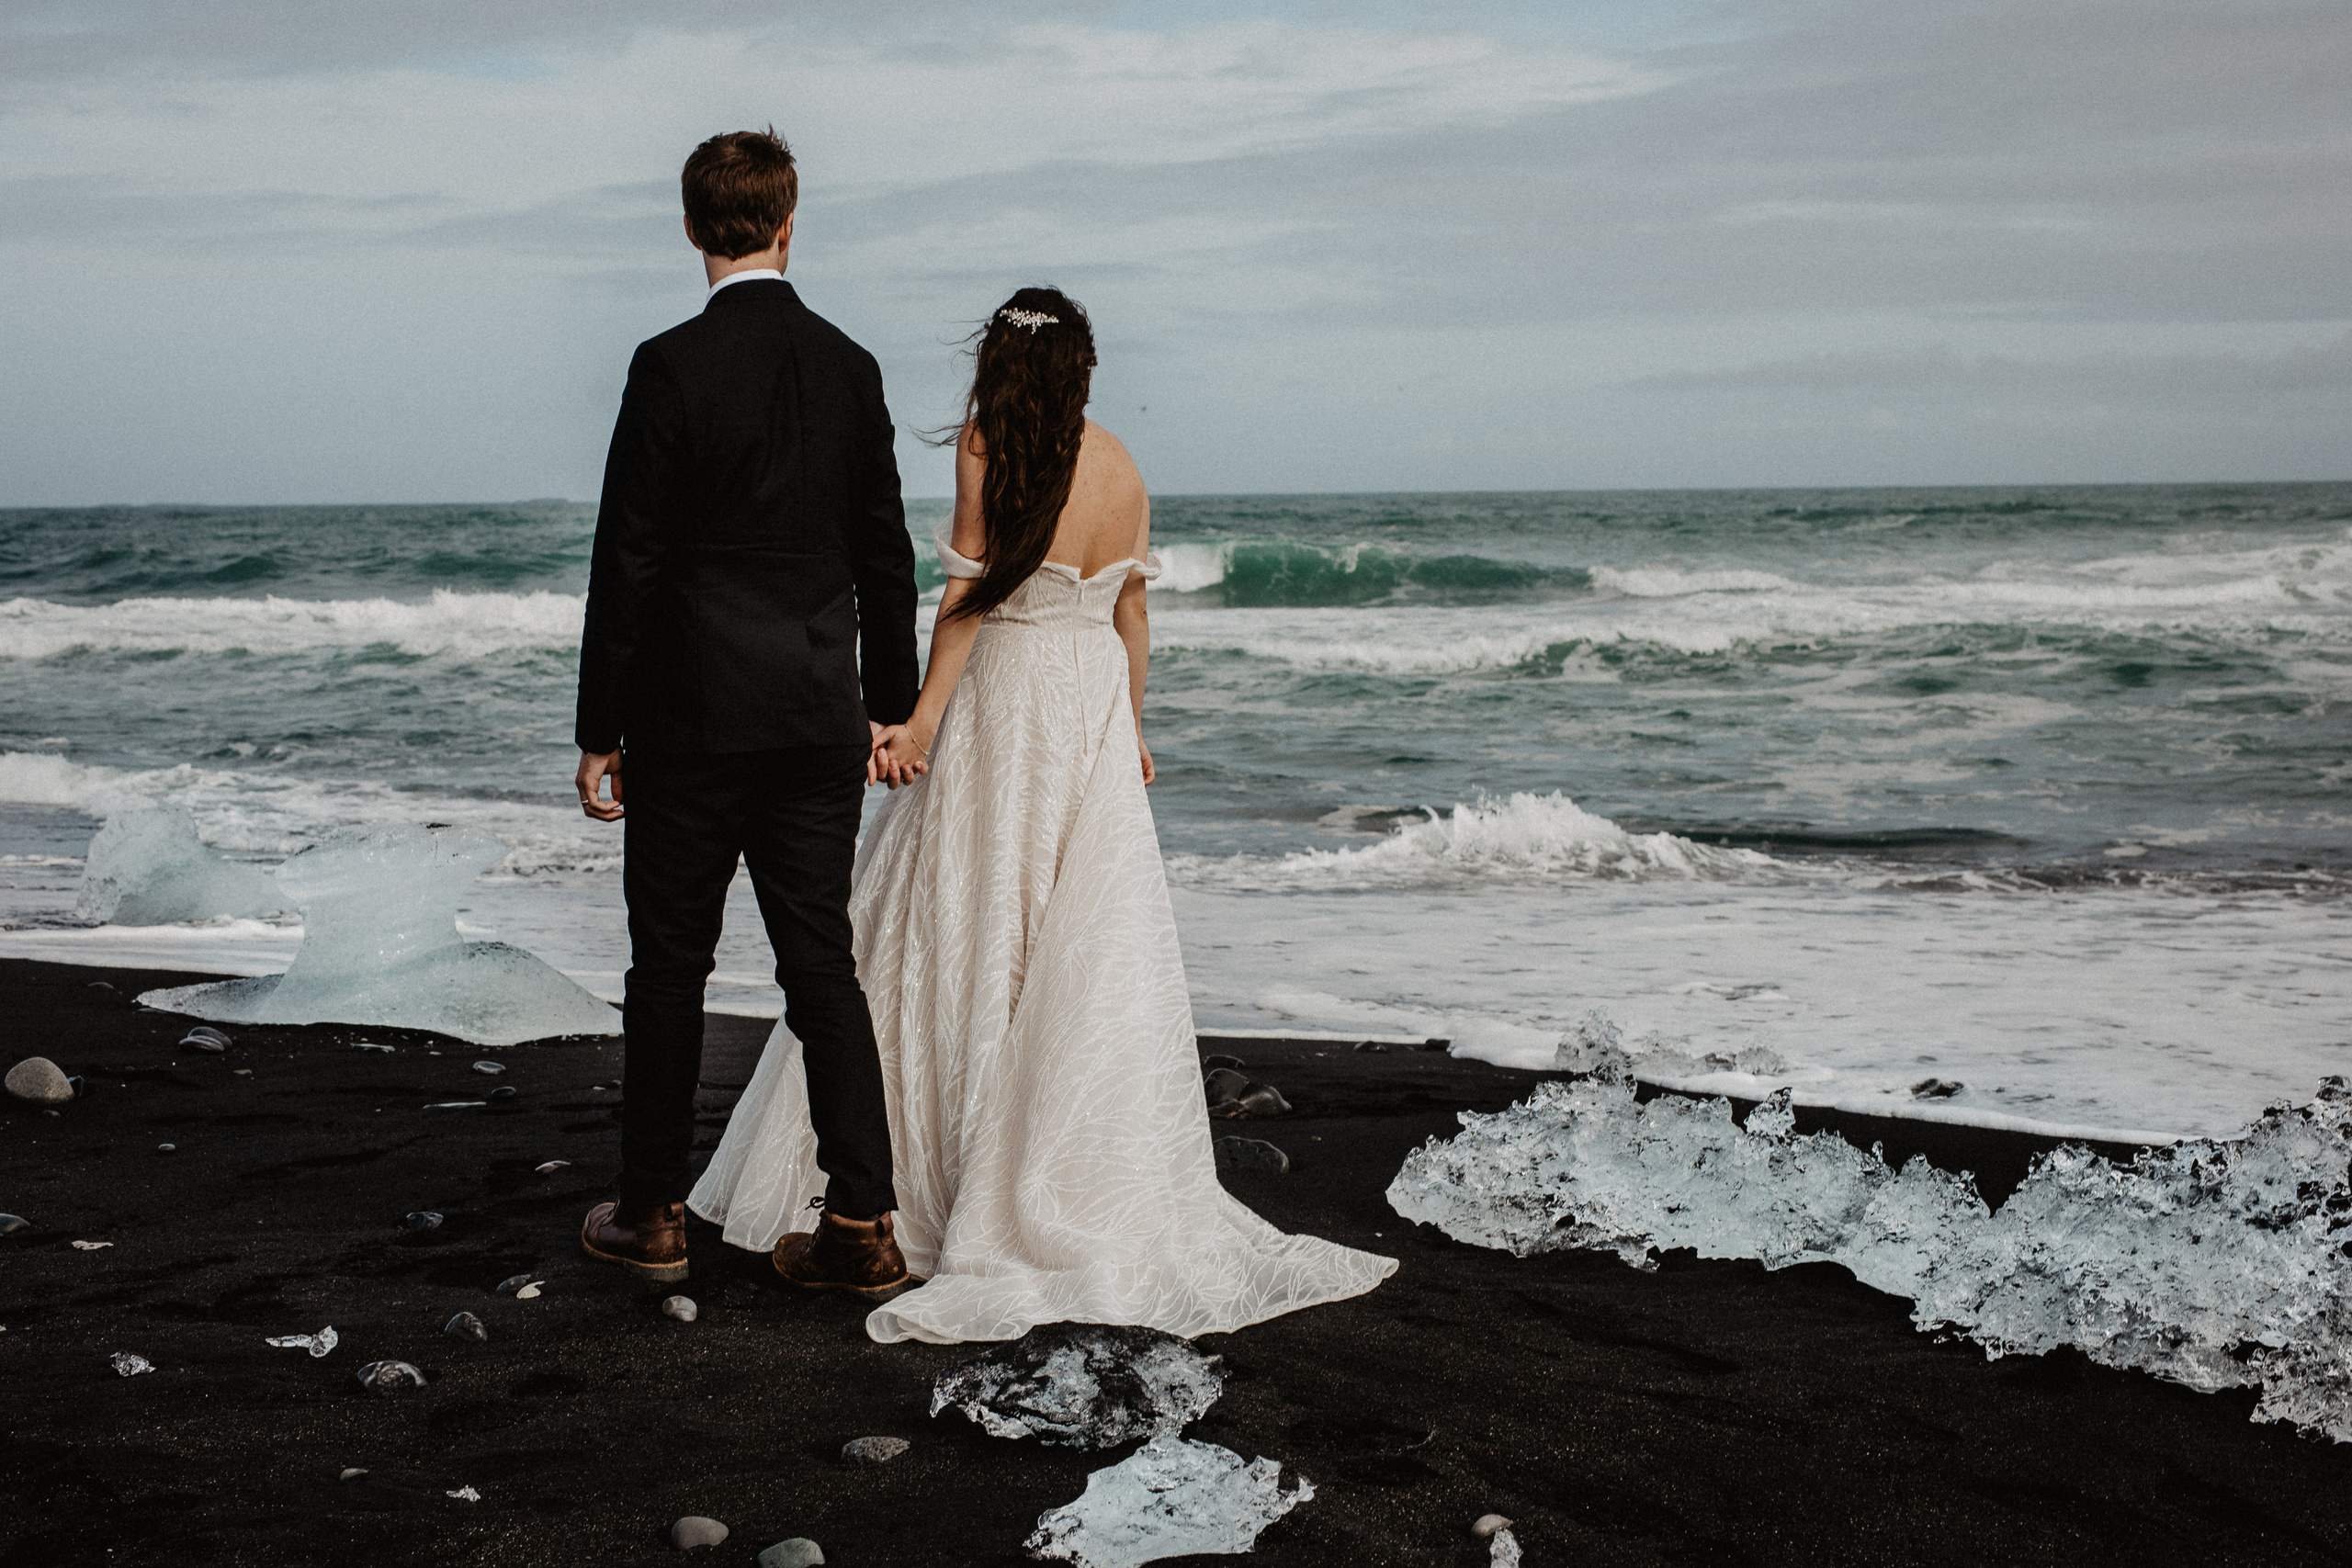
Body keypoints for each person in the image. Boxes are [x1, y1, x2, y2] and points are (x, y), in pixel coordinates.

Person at [692, 287, 1397, 1342]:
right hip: (1089, 706)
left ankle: (918, 1177)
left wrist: (917, 719)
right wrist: (1132, 729)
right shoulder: (1121, 463)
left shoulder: (990, 443)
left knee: (963, 914)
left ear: (1000, 366)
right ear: (1082, 371)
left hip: (1010, 696)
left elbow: (970, 599)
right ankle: (1069, 1166)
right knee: (1076, 935)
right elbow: (1132, 611)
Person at [572, 128, 919, 1298]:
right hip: (818, 713)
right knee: (821, 965)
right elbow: (888, 556)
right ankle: (864, 1223)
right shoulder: (851, 366)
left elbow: (629, 562)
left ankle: (653, 1214)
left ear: (689, 227)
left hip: (690, 717)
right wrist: (892, 706)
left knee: (668, 967)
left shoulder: (667, 366)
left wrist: (597, 728)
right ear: (788, 221)